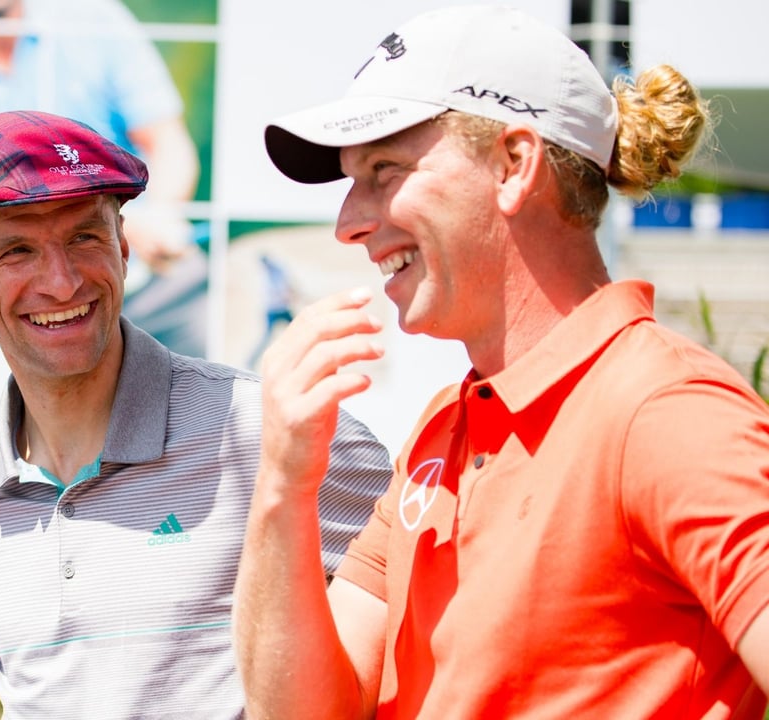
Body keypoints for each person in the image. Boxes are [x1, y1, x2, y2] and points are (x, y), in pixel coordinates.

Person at [233, 5, 769, 718]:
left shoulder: (667, 410)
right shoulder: (442, 428)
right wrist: (283, 484)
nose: (348, 223)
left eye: (383, 170)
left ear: (515, 166)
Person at [0, 109, 392, 719]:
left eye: (84, 237)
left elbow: (429, 640)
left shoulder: (278, 434)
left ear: (124, 247)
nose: (60, 283)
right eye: (16, 251)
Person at [0, 0, 208, 357]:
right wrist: (125, 229)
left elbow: (168, 142)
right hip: (35, 308)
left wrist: (160, 214)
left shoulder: (93, 15)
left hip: (162, 283)